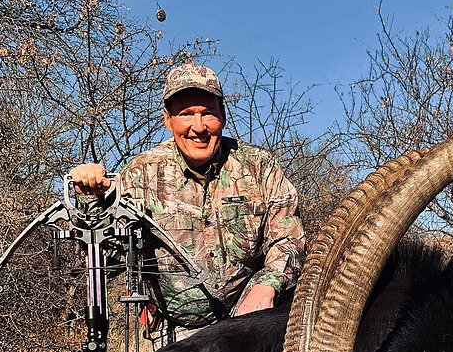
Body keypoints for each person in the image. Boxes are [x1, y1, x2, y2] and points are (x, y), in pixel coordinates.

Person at [70, 63, 305, 334]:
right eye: (185, 114)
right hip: (172, 334)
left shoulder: (259, 166)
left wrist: (267, 286)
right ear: (167, 120)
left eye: (208, 113)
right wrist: (91, 202)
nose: (198, 127)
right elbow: (103, 262)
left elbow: (288, 241)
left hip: (246, 325)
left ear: (223, 116)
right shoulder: (139, 174)